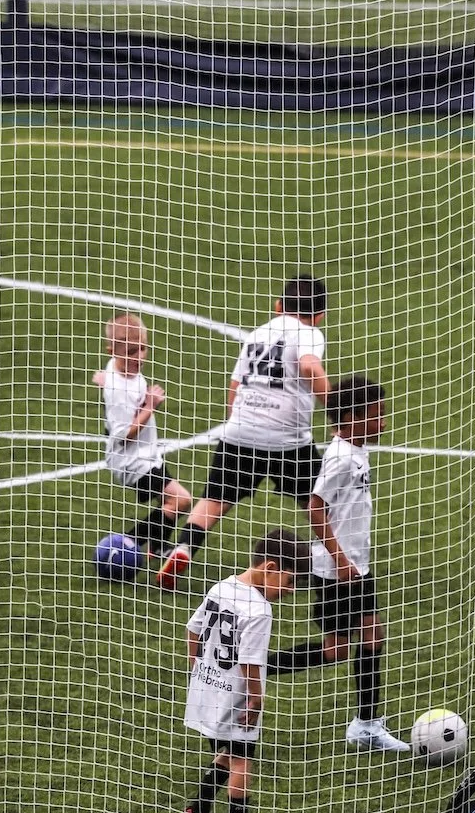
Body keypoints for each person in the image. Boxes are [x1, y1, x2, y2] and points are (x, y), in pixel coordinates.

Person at [157, 275, 331, 590]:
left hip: (239, 430)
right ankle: (333, 560)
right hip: (286, 438)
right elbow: (308, 367)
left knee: (215, 499)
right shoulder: (309, 333)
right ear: (320, 315)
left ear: (278, 306)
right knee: (318, 500)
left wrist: (240, 423)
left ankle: (183, 548)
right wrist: (335, 409)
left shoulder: (256, 335)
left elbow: (235, 387)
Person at [269, 375, 409, 753]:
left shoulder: (356, 449)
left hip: (354, 566)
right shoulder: (341, 457)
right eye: (376, 416)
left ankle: (366, 725)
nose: (382, 423)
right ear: (350, 417)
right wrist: (340, 557)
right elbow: (315, 506)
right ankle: (250, 668)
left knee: (370, 635)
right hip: (338, 571)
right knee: (338, 650)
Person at [182, 528, 312, 813]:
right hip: (235, 698)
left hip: (208, 688)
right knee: (242, 761)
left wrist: (196, 668)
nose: (291, 590)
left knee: (225, 754)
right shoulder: (259, 611)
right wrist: (256, 698)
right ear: (269, 568)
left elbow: (192, 629)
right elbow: (250, 661)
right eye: (290, 580)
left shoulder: (222, 587)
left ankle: (196, 811)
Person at [94, 313, 192, 558]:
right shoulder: (117, 389)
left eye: (142, 349)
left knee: (171, 501)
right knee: (180, 500)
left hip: (147, 454)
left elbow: (110, 376)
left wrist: (103, 380)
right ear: (112, 351)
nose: (139, 357)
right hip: (132, 460)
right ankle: (127, 542)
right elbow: (124, 434)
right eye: (130, 352)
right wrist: (150, 405)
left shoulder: (118, 370)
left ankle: (157, 547)